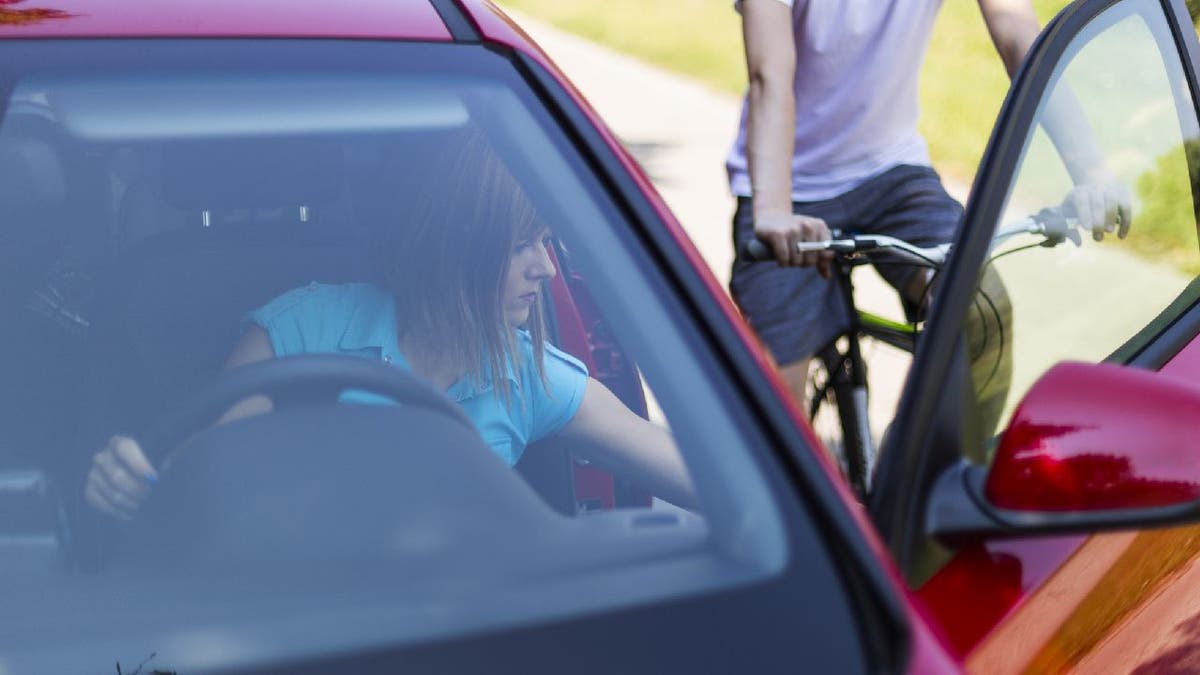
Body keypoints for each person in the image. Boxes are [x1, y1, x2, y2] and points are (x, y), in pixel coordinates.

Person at [83, 129, 698, 518]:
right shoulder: (303, 328)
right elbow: (197, 477)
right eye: (520, 246)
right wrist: (131, 481)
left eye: (546, 243)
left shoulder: (525, 375)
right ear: (459, 242)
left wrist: (778, 480)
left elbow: (697, 476)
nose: (545, 269)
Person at [728, 0, 1131, 410]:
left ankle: (916, 469)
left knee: (981, 314)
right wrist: (774, 210)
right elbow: (770, 76)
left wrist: (1091, 171)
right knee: (774, 411)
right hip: (784, 187)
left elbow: (1019, 36)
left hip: (890, 171)